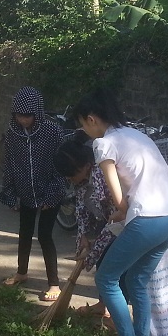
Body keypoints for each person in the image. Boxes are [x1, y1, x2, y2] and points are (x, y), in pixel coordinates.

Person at [74, 87, 168, 336]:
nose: (84, 131)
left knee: (106, 278)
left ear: (91, 119)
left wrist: (121, 209)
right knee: (137, 280)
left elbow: (115, 186)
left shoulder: (105, 143)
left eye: (82, 125)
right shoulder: (137, 135)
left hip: (147, 219)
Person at [0, 87, 66, 301]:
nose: (23, 120)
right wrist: (11, 194)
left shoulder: (52, 132)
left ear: (37, 113)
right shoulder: (12, 133)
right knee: (24, 233)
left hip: (49, 192)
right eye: (19, 115)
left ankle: (54, 284)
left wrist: (53, 195)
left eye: (28, 115)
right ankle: (21, 272)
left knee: (44, 235)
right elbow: (9, 165)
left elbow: (62, 166)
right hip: (25, 192)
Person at [52, 135, 118, 323]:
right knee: (102, 264)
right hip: (105, 225)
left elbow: (114, 222)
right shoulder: (81, 183)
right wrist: (83, 239)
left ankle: (116, 315)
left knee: (113, 271)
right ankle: (102, 304)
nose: (69, 180)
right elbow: (82, 213)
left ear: (85, 166)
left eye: (71, 175)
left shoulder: (103, 177)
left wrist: (92, 252)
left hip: (123, 225)